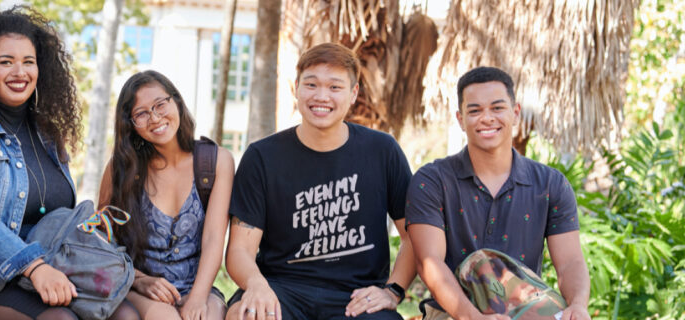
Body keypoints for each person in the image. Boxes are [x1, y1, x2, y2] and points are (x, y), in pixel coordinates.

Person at [0, 7, 137, 320]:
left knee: (125, 315)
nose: (20, 72)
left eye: (28, 62)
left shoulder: (45, 132)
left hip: (44, 270)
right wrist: (34, 267)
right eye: (5, 62)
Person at [223, 43, 416, 320]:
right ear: (296, 89)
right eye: (311, 85)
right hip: (280, 289)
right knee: (244, 315)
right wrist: (256, 285)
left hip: (356, 296)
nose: (321, 96)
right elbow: (240, 248)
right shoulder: (262, 156)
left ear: (353, 94)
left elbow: (412, 236)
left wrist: (393, 291)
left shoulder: (382, 151)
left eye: (335, 87)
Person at [405, 67, 590, 320]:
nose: (487, 118)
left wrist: (578, 305)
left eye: (497, 108)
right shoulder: (432, 181)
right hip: (452, 313)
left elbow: (570, 262)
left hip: (527, 310)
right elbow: (429, 262)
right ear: (460, 120)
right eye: (475, 110)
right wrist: (473, 318)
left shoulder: (551, 184)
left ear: (515, 113)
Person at [98, 70, 234, 320]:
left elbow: (215, 238)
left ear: (177, 102)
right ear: (131, 124)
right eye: (141, 113)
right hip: (141, 288)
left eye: (160, 105)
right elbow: (102, 243)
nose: (155, 117)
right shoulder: (121, 168)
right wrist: (140, 280)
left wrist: (198, 297)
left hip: (198, 285)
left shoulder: (215, 162)